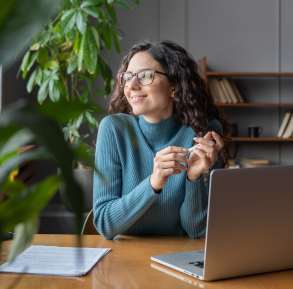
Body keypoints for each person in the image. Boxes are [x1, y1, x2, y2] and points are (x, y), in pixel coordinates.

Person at [93, 40, 231, 240]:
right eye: (128, 77)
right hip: (123, 259)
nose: (132, 85)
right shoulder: (114, 129)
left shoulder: (205, 134)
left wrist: (193, 178)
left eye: (145, 75)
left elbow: (196, 229)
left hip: (178, 259)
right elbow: (105, 224)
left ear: (174, 86)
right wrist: (153, 183)